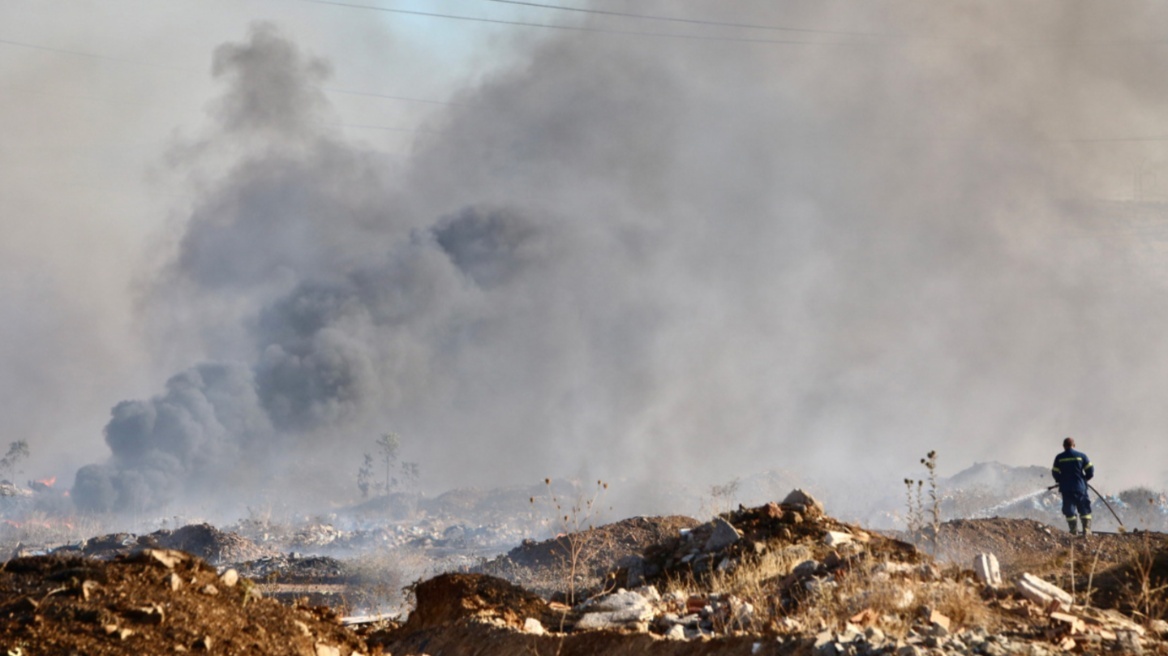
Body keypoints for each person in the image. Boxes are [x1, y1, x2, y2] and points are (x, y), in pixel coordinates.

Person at [1052, 437, 1094, 535]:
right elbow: (1090, 471)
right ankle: (1087, 530)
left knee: (1069, 510)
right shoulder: (1082, 456)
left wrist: (1060, 480)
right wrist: (1085, 479)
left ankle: (1073, 530)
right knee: (1084, 508)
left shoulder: (1059, 457)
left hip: (1066, 489)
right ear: (1074, 445)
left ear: (1064, 446)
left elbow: (1055, 472)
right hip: (1080, 488)